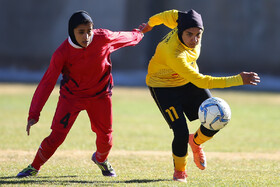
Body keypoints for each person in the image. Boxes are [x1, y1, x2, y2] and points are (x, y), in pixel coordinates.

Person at [16, 10, 144, 178]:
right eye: (81, 32)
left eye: (89, 31)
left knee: (106, 138)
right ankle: (34, 167)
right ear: (72, 32)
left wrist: (139, 33)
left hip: (100, 97)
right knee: (56, 137)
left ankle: (101, 159)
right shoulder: (62, 53)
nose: (86, 36)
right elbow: (47, 83)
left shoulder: (103, 38)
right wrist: (34, 113)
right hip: (71, 98)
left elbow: (123, 37)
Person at [140, 9, 260, 183]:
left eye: (198, 34)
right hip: (163, 87)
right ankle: (180, 172)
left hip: (187, 81)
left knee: (221, 115)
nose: (194, 40)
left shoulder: (181, 19)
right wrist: (238, 79)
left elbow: (163, 16)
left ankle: (195, 142)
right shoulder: (173, 53)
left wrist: (149, 24)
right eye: (189, 34)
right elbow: (202, 81)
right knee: (180, 132)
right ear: (180, 30)